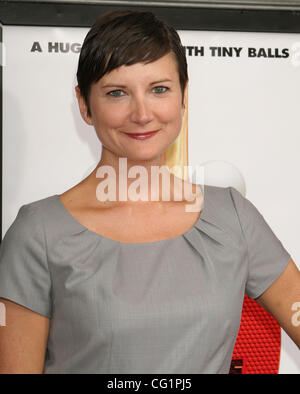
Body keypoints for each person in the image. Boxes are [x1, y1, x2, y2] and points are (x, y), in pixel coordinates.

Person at [0, 9, 299, 374]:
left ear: (184, 95)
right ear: (84, 104)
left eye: (159, 89)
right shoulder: (39, 233)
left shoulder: (232, 217)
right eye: (117, 93)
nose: (142, 114)